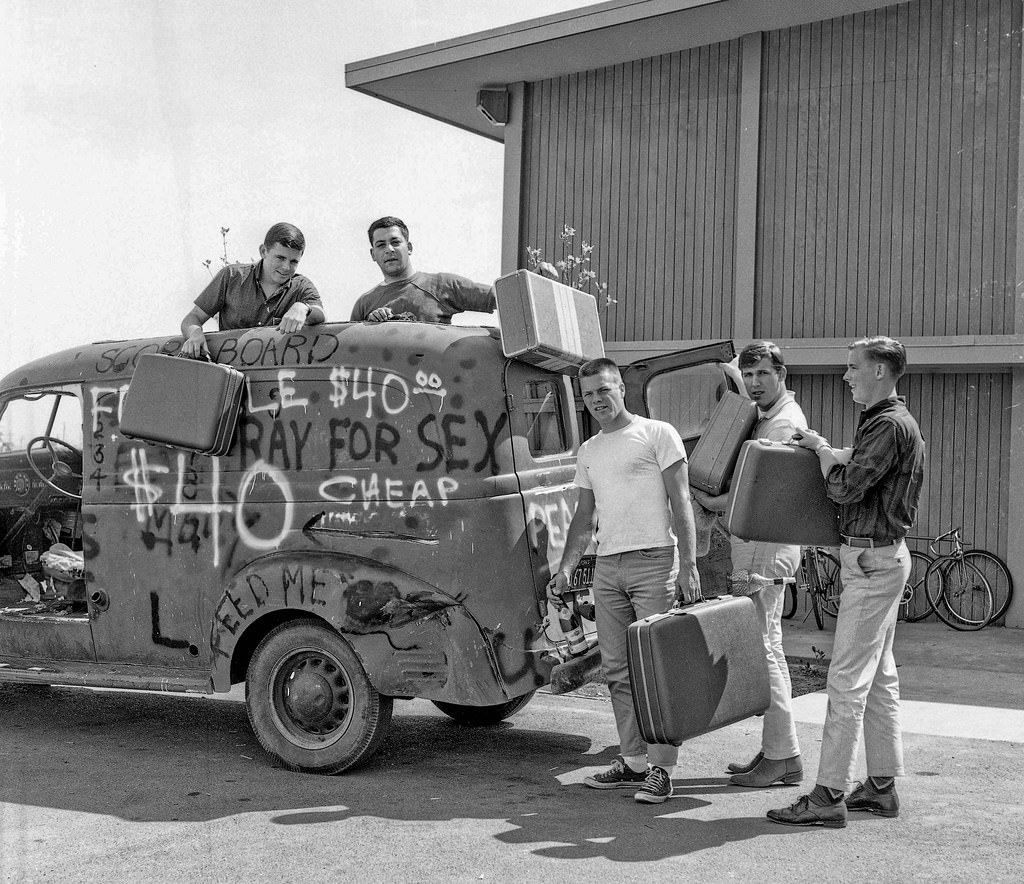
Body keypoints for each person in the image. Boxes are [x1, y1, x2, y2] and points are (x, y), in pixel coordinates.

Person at [768, 336, 925, 828]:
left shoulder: (887, 425)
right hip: (881, 559)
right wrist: (824, 448)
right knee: (878, 680)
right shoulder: (888, 423)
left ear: (880, 371)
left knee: (846, 682)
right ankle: (880, 787)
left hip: (873, 563)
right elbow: (858, 469)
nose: (847, 375)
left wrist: (823, 460)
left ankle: (827, 794)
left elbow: (846, 487)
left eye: (854, 367)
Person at [547, 358, 702, 805]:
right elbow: (582, 516)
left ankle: (662, 769)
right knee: (617, 670)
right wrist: (566, 567)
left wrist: (689, 563)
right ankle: (633, 761)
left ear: (621, 390)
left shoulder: (658, 434)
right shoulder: (590, 450)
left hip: (654, 560)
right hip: (607, 566)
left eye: (605, 390)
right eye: (589, 394)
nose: (597, 399)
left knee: (655, 668)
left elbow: (682, 500)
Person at [692, 341, 806, 788]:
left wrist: (697, 495)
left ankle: (783, 758)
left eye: (762, 374)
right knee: (766, 648)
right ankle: (778, 751)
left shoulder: (781, 426)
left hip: (762, 544)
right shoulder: (767, 419)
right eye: (748, 374)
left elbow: (743, 497)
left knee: (765, 650)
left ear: (782, 374)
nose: (754, 383)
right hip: (759, 543)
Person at [180, 222, 324, 358]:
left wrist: (303, 308)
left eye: (294, 262)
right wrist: (195, 334)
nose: (286, 267)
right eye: (280, 258)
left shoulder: (302, 286)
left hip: (274, 378)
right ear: (263, 251)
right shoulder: (231, 277)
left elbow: (320, 314)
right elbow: (192, 319)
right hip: (232, 375)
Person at [350, 216, 496, 323]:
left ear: (409, 248)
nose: (389, 249)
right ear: (372, 254)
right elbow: (352, 354)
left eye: (395, 242)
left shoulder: (442, 285)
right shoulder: (364, 304)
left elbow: (500, 296)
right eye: (381, 245)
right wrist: (370, 325)